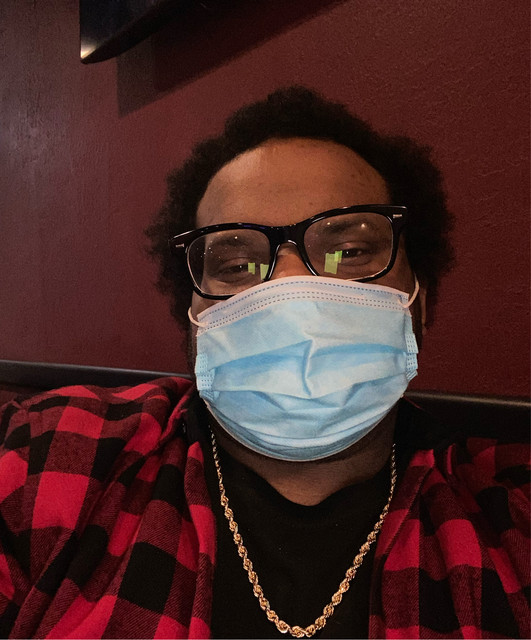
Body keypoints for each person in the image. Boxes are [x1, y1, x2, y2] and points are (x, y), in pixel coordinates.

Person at [0, 87, 528, 639]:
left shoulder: (509, 518)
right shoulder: (51, 459)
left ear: (421, 295)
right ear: (192, 314)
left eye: (348, 253)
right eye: (237, 265)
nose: (290, 288)